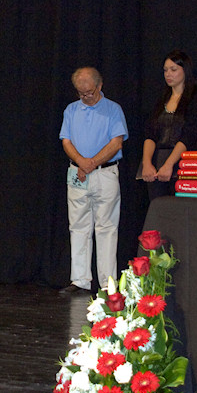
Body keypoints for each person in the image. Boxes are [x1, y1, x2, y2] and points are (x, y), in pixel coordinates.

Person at [59, 67, 129, 294]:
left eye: (90, 92)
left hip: (105, 174)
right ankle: (79, 280)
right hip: (77, 173)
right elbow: (66, 140)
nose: (86, 97)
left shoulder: (113, 109)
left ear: (100, 86)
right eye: (81, 93)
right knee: (78, 226)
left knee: (106, 227)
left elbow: (116, 142)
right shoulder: (71, 110)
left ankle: (108, 284)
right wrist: (81, 162)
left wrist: (91, 163)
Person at [139, 50, 197, 201]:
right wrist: (146, 163)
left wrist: (169, 164)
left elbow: (189, 136)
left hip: (182, 163)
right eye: (165, 70)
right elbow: (150, 134)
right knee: (157, 208)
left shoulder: (194, 100)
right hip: (157, 162)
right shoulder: (161, 100)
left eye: (173, 70)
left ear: (185, 71)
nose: (168, 74)